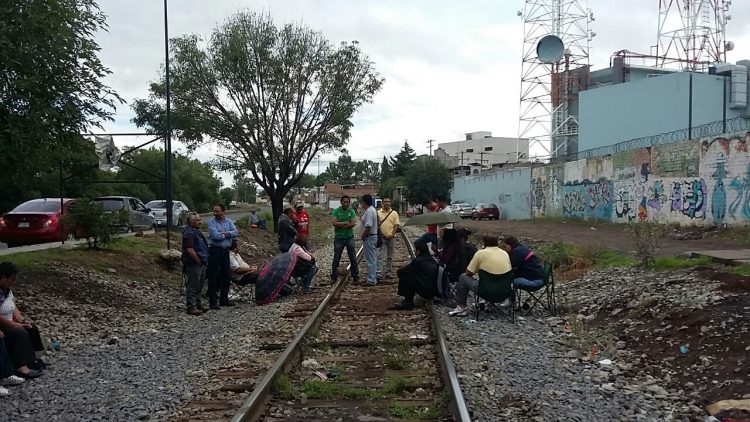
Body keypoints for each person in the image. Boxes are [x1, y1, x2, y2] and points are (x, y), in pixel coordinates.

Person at [449, 236, 512, 317]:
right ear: (497, 243)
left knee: (463, 277)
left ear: (484, 243)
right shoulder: (505, 253)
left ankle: (462, 307)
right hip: (505, 291)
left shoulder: (480, 253)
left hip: (485, 291)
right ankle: (491, 304)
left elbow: (469, 273)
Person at [0, 262, 44, 379]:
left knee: (31, 328)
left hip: (10, 321)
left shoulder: (7, 290)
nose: (13, 283)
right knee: (19, 333)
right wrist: (13, 324)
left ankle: (35, 359)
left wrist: (21, 319)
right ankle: (22, 368)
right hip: (2, 325)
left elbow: (13, 306)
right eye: (12, 280)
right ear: (3, 277)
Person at [207, 203, 239, 308]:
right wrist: (227, 234)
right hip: (215, 251)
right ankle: (213, 301)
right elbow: (215, 236)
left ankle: (224, 299)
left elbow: (235, 232)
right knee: (214, 275)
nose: (215, 213)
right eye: (214, 211)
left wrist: (224, 233)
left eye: (217, 211)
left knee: (226, 275)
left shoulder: (229, 221)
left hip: (225, 251)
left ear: (223, 211)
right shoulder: (211, 223)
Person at [391, 242, 439, 310]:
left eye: (415, 250)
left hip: (426, 291)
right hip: (435, 291)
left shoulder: (418, 261)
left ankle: (407, 302)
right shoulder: (432, 259)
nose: (414, 252)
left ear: (419, 251)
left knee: (405, 275)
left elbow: (402, 271)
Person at [182, 213, 210, 315]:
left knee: (200, 284)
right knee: (193, 284)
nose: (200, 222)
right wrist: (197, 260)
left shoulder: (196, 231)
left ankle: (198, 303)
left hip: (201, 261)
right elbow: (189, 249)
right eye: (198, 220)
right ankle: (191, 306)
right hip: (194, 263)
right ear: (192, 222)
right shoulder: (189, 233)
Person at [331, 195, 359, 283]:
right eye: (344, 202)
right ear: (341, 202)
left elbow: (353, 223)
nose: (346, 204)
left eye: (347, 202)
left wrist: (341, 225)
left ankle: (355, 276)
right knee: (336, 258)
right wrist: (346, 223)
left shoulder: (351, 211)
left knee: (353, 257)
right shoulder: (336, 211)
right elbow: (334, 223)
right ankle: (334, 276)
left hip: (349, 237)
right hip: (339, 238)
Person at [377, 198, 400, 279]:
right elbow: (377, 225)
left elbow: (396, 225)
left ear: (390, 203)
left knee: (390, 256)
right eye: (385, 202)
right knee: (380, 256)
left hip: (391, 238)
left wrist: (392, 234)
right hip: (382, 237)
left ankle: (388, 272)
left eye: (388, 202)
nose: (387, 203)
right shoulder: (378, 213)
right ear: (383, 203)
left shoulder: (394, 213)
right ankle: (379, 272)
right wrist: (380, 235)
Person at [359, 194, 379, 286]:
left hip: (369, 237)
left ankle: (371, 280)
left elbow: (368, 226)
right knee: (372, 258)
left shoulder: (370, 211)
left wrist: (363, 236)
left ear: (364, 202)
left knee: (370, 259)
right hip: (371, 237)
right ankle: (373, 277)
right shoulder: (370, 210)